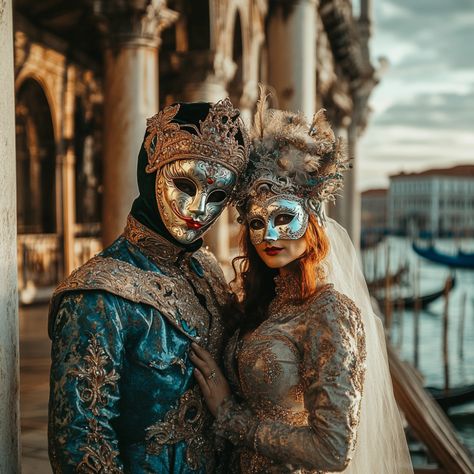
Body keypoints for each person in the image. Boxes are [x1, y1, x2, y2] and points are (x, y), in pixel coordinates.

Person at [190, 90, 414, 473]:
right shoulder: (260, 305)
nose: (270, 237)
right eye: (257, 224)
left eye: (282, 218)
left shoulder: (330, 312)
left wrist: (231, 416)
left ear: (311, 221)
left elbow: (333, 450)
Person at [48, 99, 249, 473]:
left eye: (217, 195)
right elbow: (82, 445)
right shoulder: (98, 296)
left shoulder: (206, 270)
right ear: (151, 170)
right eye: (185, 185)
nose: (198, 209)